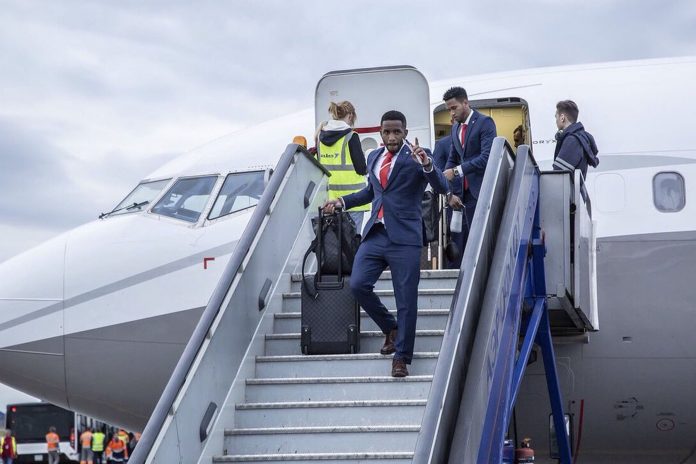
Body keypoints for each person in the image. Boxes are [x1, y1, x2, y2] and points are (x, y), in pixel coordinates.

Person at [323, 110, 448, 377]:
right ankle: (390, 327)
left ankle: (401, 357)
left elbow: (441, 186)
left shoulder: (418, 155)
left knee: (406, 299)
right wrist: (342, 201)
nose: (391, 137)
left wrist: (426, 164)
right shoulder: (374, 157)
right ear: (381, 132)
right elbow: (372, 191)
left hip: (405, 238)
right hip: (377, 233)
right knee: (358, 284)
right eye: (387, 132)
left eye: (396, 132)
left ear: (405, 133)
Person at [442, 86, 497, 268]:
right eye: (449, 109)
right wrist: (448, 188)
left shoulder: (485, 122)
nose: (451, 113)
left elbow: (486, 158)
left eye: (454, 108)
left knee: (480, 241)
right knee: (462, 243)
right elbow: (452, 159)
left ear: (465, 103)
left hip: (480, 192)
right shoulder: (455, 128)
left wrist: (456, 171)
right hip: (461, 196)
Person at [316, 101, 369, 233]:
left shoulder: (320, 138)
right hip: (354, 201)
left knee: (334, 242)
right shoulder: (351, 136)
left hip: (329, 202)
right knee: (353, 241)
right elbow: (361, 168)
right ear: (350, 116)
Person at [552, 100, 599, 178]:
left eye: (556, 117)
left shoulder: (572, 141)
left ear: (562, 118)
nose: (556, 121)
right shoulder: (577, 138)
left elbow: (559, 175)